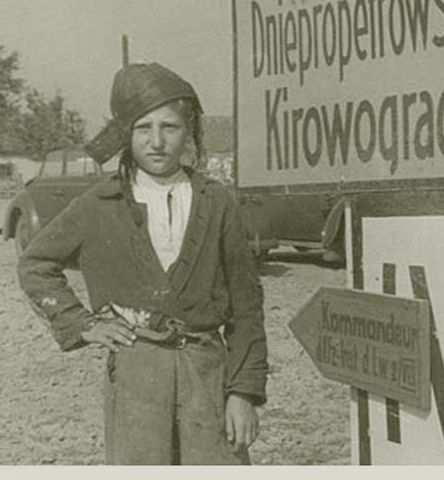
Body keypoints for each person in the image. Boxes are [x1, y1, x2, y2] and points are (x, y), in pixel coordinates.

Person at [17, 62, 267, 465]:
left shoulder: (217, 202)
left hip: (207, 373)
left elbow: (246, 305)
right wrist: (83, 324)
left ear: (188, 131)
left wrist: (244, 393)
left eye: (170, 127)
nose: (157, 141)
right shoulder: (99, 204)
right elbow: (35, 264)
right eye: (143, 128)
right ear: (125, 135)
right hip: (137, 373)